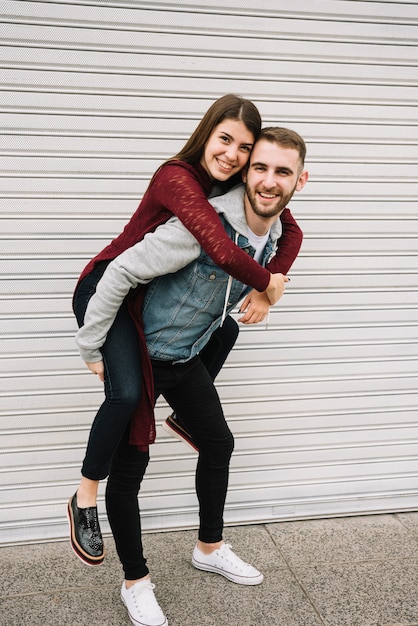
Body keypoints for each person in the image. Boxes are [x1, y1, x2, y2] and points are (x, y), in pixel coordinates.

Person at [73, 127, 308, 626]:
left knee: (219, 445)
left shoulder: (274, 233)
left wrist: (270, 287)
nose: (268, 181)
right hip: (139, 353)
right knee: (130, 470)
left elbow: (292, 240)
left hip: (184, 360)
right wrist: (92, 346)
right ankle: (135, 582)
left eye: (281, 171)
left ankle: (208, 547)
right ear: (245, 174)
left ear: (299, 182)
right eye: (259, 168)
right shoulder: (196, 227)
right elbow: (116, 275)